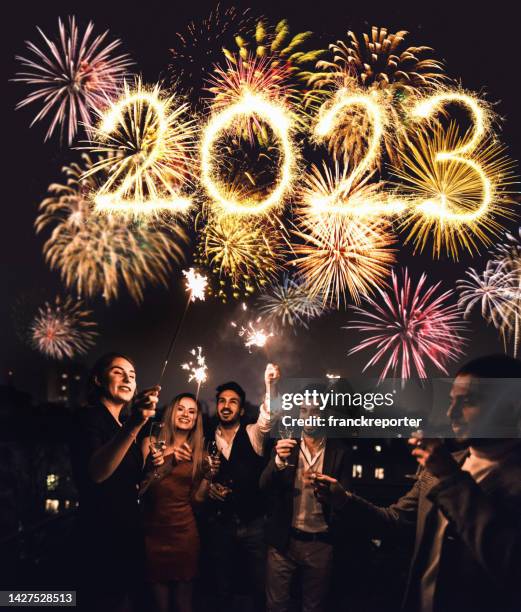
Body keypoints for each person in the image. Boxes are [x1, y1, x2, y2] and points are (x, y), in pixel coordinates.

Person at [315, 355, 521, 612]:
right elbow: (394, 522)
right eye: (451, 401)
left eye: (467, 401)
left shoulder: (450, 470)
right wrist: (343, 499)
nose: (450, 413)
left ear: (511, 407)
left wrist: (449, 477)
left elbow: (512, 565)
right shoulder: (439, 467)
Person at [71, 353, 162, 612]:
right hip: (99, 538)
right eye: (117, 372)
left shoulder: (121, 425)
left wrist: (150, 472)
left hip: (128, 533)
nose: (127, 378)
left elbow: (131, 488)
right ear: (98, 380)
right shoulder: (89, 418)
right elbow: (97, 473)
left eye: (132, 375)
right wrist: (135, 423)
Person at [260, 399, 353, 612]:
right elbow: (263, 485)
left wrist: (332, 493)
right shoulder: (286, 443)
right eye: (304, 410)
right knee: (275, 606)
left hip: (320, 543)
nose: (309, 415)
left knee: (314, 607)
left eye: (315, 411)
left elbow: (347, 499)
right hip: (283, 541)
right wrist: (278, 462)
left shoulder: (341, 451)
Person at [203, 363, 280, 612]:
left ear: (241, 407)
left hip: (253, 525)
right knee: (220, 587)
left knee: (258, 588)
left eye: (232, 401)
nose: (226, 406)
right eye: (222, 401)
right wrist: (209, 489)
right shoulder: (205, 439)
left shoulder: (252, 433)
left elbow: (268, 417)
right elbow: (198, 478)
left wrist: (270, 384)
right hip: (219, 525)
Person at [141, 392, 214, 612]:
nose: (186, 414)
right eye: (181, 408)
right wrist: (170, 462)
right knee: (159, 605)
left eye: (192, 411)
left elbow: (197, 500)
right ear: (172, 412)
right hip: (153, 531)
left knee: (184, 604)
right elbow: (143, 489)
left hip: (184, 533)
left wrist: (209, 477)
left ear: (196, 420)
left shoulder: (200, 454)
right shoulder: (151, 443)